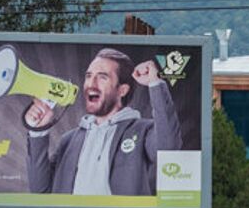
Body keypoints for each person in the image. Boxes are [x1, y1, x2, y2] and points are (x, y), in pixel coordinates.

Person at [25, 49, 181, 195]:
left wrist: (155, 84)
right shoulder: (69, 140)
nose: (91, 84)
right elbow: (40, 190)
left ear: (122, 90)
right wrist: (38, 132)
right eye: (88, 76)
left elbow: (168, 149)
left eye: (102, 77)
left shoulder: (143, 131)